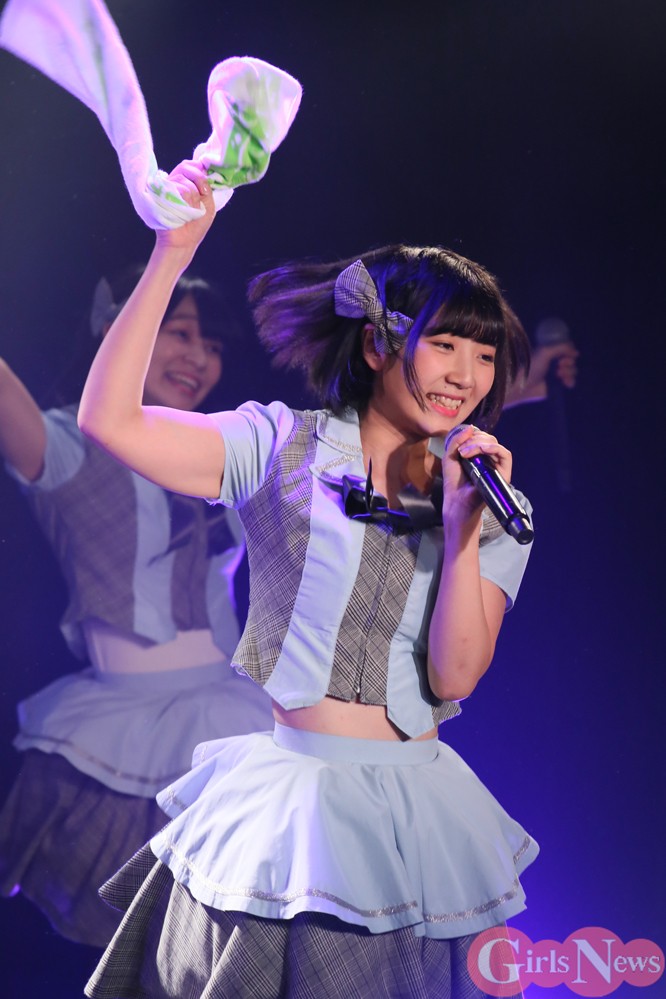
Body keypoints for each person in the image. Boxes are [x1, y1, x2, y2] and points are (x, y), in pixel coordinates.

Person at [74, 168, 541, 999]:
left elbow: (456, 675)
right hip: (289, 809)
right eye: (444, 344)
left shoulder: (491, 499)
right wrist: (172, 254)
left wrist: (464, 526)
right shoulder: (277, 446)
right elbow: (111, 422)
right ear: (377, 345)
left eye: (484, 355)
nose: (467, 374)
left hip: (420, 816)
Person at [0, 268, 273, 949]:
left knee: (232, 947)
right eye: (178, 334)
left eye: (213, 345)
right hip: (121, 728)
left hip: (232, 712)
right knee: (134, 949)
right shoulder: (68, 448)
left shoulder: (221, 451)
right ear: (120, 330)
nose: (199, 358)